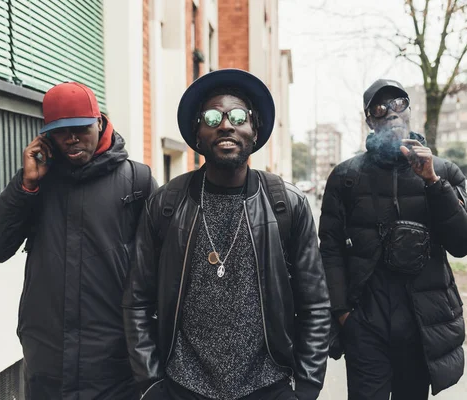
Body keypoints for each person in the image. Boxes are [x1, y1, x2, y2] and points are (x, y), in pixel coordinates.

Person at [122, 69, 330, 400]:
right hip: (182, 386)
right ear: (197, 133)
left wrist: (306, 386)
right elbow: (137, 302)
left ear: (254, 129)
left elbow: (316, 304)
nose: (225, 124)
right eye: (212, 117)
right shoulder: (166, 204)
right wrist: (150, 383)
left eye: (237, 116)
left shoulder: (286, 205)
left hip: (268, 385)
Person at [0, 82, 156, 400]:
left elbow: (160, 274)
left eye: (81, 128)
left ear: (99, 122)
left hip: (114, 370)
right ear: (46, 136)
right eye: (61, 131)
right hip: (47, 366)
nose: (72, 138)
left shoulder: (136, 181)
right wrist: (25, 186)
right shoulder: (36, 182)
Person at [319, 79, 467, 400]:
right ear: (369, 119)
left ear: (410, 111)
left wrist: (433, 182)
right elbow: (330, 250)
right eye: (380, 108)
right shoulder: (346, 176)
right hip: (365, 322)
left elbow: (465, 243)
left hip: (422, 322)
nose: (391, 114)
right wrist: (342, 314)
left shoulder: (444, 172)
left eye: (398, 104)